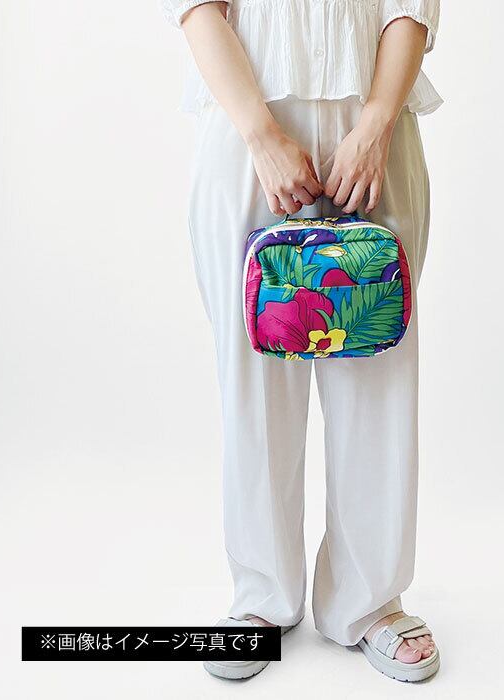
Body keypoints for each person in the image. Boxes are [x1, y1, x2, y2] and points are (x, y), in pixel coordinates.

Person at [160, 0, 442, 683]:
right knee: (253, 379)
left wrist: (375, 124)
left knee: (377, 367)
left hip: (373, 127)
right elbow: (198, 8)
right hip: (246, 131)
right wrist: (261, 135)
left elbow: (410, 8)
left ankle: (370, 601)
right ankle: (262, 598)